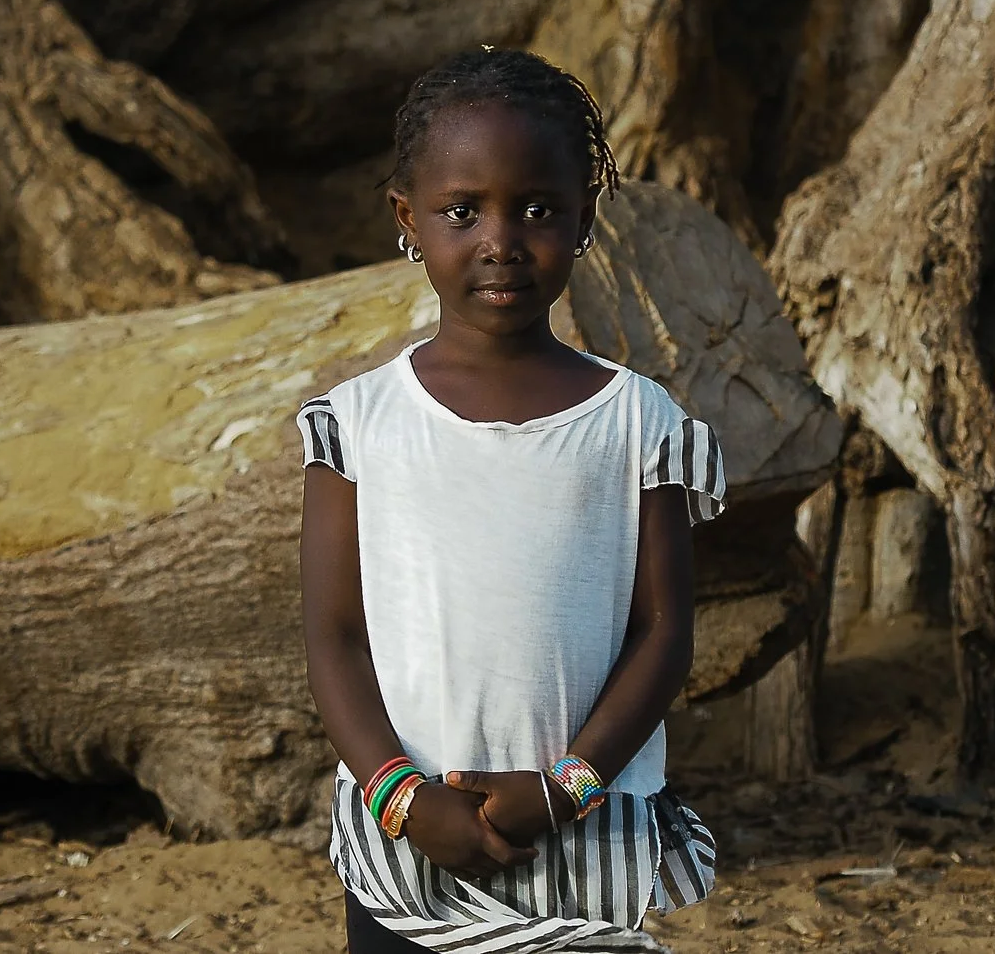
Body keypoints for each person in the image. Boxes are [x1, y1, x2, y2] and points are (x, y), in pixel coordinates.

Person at [298, 47, 725, 954]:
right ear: (408, 219)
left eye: (536, 207)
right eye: (463, 210)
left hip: (579, 834)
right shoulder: (359, 424)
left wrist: (566, 786)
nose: (501, 239)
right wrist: (401, 797)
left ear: (584, 218)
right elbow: (333, 633)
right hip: (406, 848)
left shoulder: (637, 423)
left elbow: (664, 630)